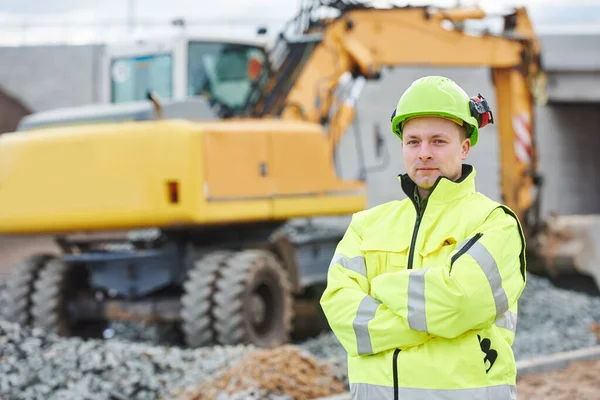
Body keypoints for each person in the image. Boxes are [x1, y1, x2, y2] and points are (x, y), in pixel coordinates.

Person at [320, 76, 527, 400]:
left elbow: (459, 304)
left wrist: (383, 286)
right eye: (413, 141)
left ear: (464, 146)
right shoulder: (366, 226)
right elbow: (344, 317)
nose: (424, 153)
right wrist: (431, 320)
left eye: (438, 141)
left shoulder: (493, 224)